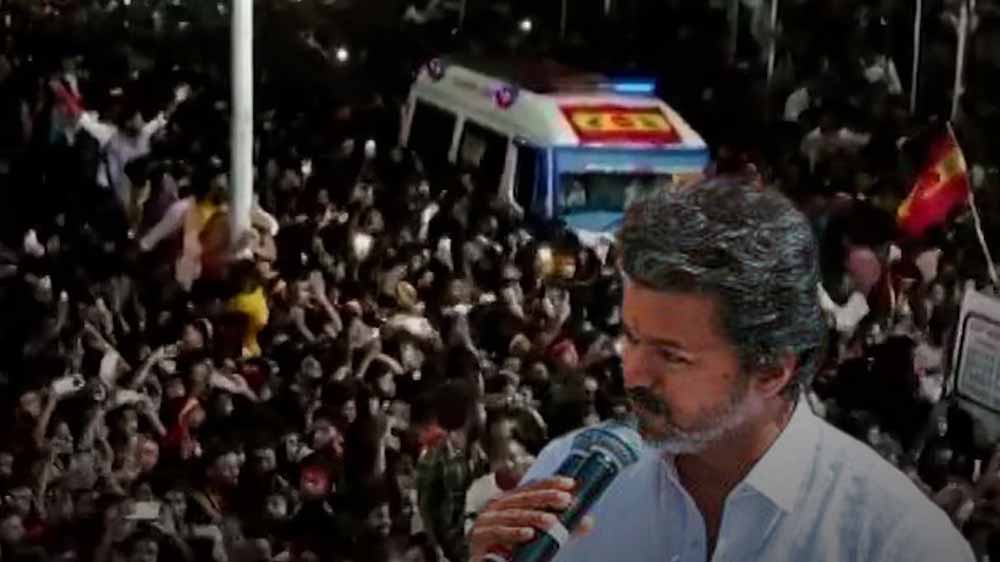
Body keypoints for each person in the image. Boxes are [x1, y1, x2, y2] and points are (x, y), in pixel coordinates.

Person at [468, 178, 974, 562]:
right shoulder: (571, 475)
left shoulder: (898, 542)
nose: (634, 373)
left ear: (772, 370)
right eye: (632, 337)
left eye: (672, 355)